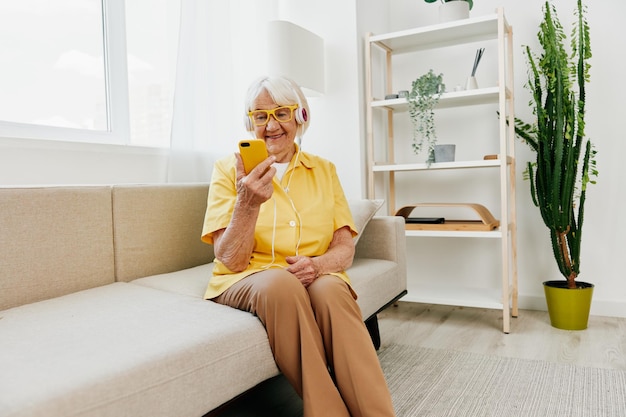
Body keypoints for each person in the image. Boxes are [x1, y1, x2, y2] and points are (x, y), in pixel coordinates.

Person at [201, 75, 396, 417]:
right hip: (248, 277)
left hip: (311, 271)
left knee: (333, 292)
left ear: (301, 117)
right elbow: (230, 260)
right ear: (251, 123)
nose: (271, 125)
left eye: (282, 113)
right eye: (260, 116)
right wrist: (247, 201)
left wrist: (318, 267)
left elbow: (344, 250)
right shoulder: (227, 171)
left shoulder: (324, 170)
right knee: (280, 284)